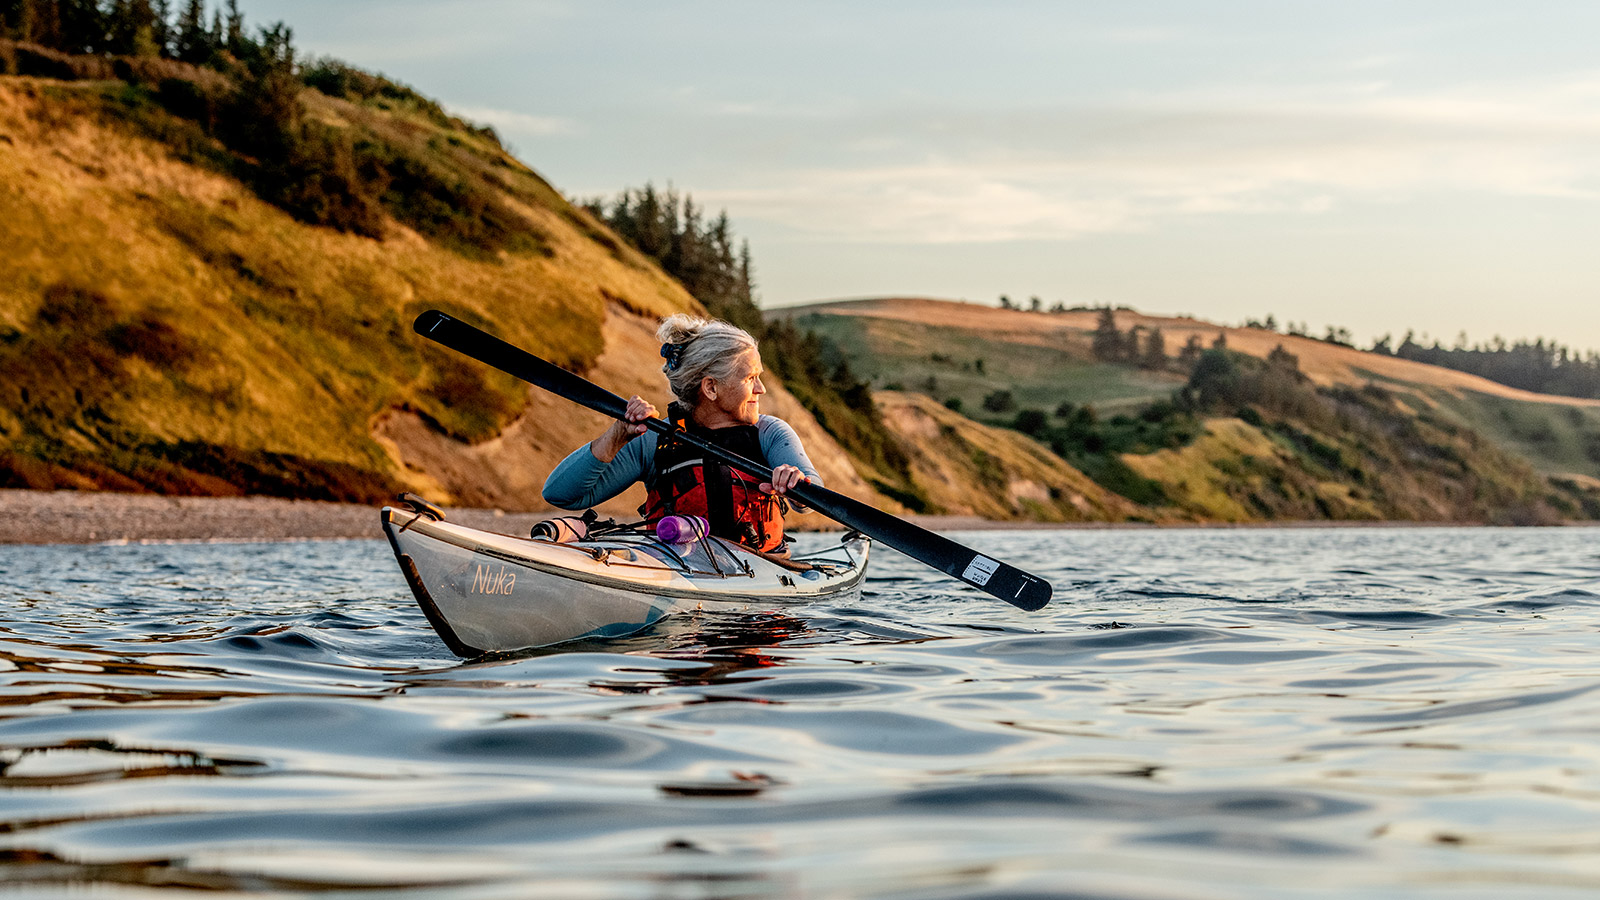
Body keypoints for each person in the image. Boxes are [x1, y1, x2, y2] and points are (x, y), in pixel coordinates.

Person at [542, 314, 819, 553]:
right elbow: (560, 495)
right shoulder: (656, 441)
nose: (761, 389)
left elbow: (812, 498)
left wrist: (797, 487)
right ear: (711, 388)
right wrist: (615, 437)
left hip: (763, 572)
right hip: (677, 570)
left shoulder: (769, 433)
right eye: (750, 378)